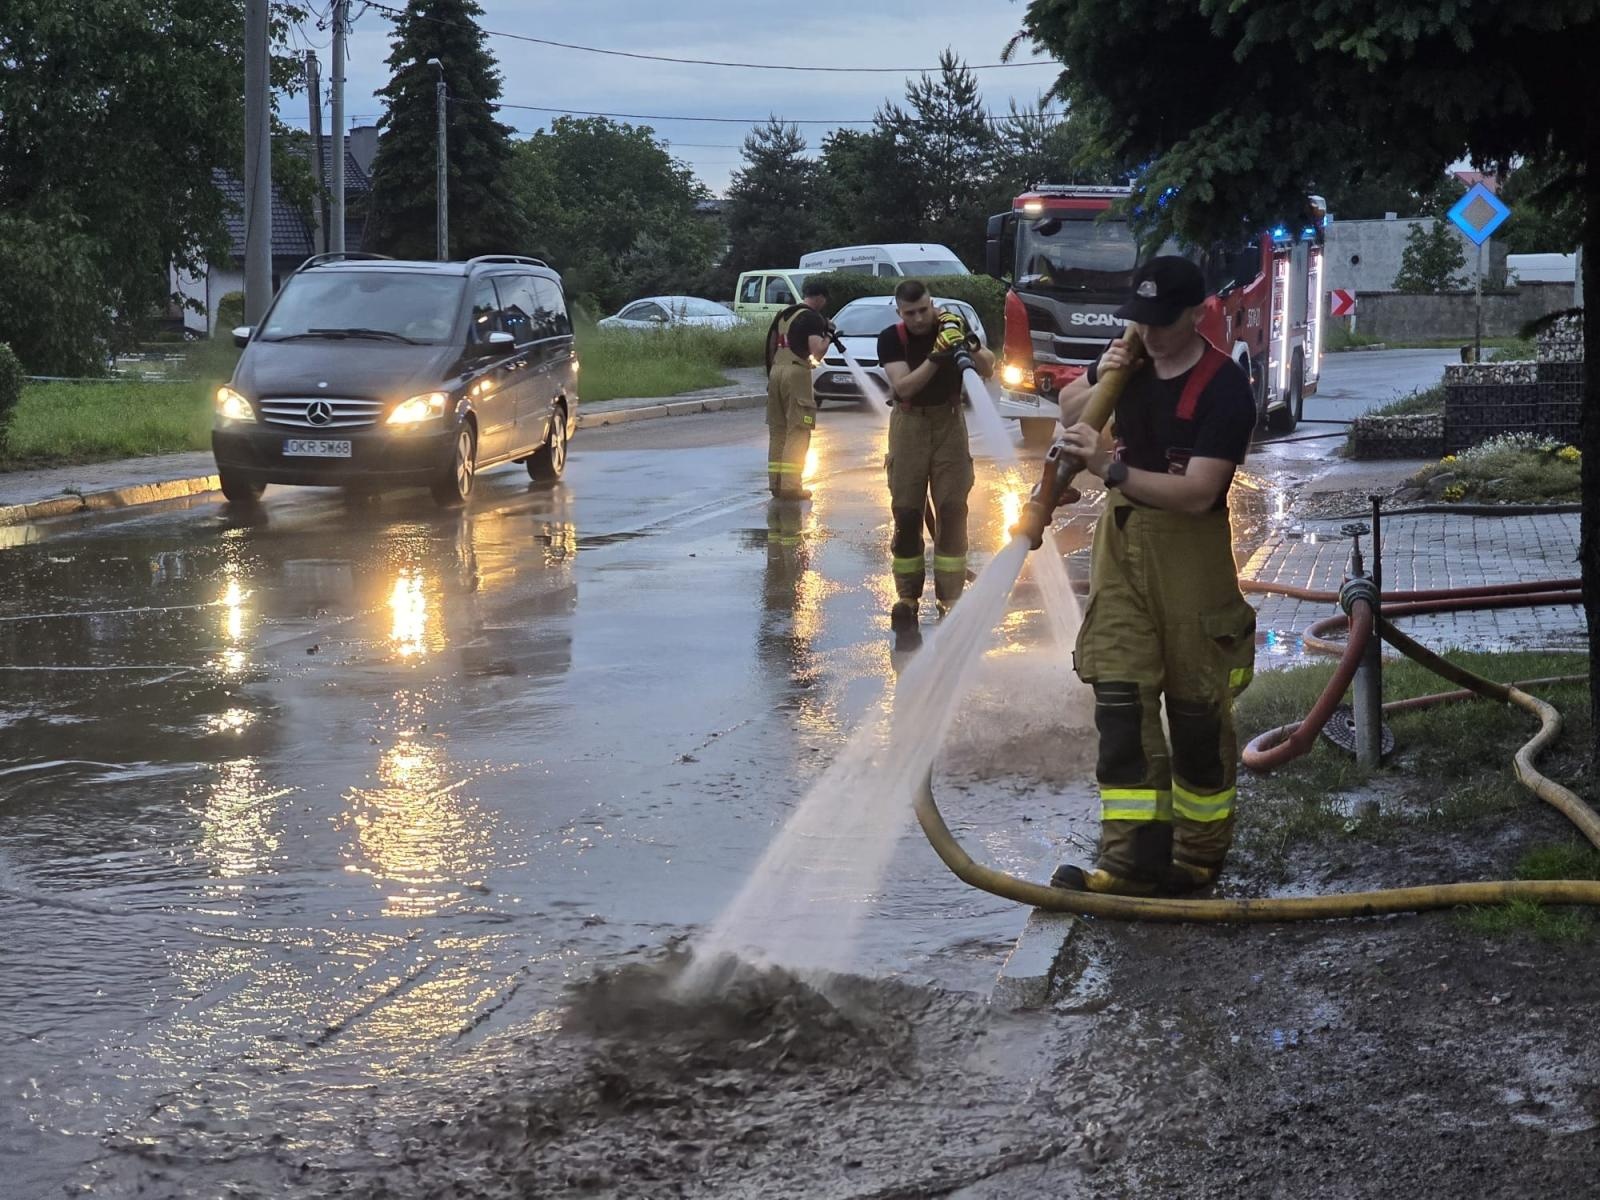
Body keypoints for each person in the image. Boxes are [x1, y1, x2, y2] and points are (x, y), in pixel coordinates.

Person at [1048, 256, 1259, 897]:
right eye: (1140, 320)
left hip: (1189, 560)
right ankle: (1130, 860)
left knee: (1197, 716)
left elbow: (1197, 493)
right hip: (1122, 552)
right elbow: (1068, 406)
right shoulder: (1131, 356)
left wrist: (1112, 472)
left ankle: (1197, 859)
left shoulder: (1226, 388)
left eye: (1162, 322)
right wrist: (1107, 373)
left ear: (1198, 314)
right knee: (1119, 706)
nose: (1150, 332)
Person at [877, 280, 995, 625]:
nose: (918, 318)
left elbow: (988, 367)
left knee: (953, 510)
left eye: (924, 310)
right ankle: (907, 597)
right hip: (909, 424)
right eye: (910, 312)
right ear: (900, 312)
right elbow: (903, 386)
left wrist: (967, 343)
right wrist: (936, 355)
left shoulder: (952, 328)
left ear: (933, 305)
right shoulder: (891, 338)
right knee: (908, 513)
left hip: (950, 422)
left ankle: (950, 598)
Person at [764, 279, 832, 501]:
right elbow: (818, 352)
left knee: (778, 431)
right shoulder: (811, 317)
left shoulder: (785, 314)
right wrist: (829, 334)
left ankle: (776, 484)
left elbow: (772, 345)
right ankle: (792, 486)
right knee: (799, 430)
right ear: (821, 298)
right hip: (796, 374)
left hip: (776, 372)